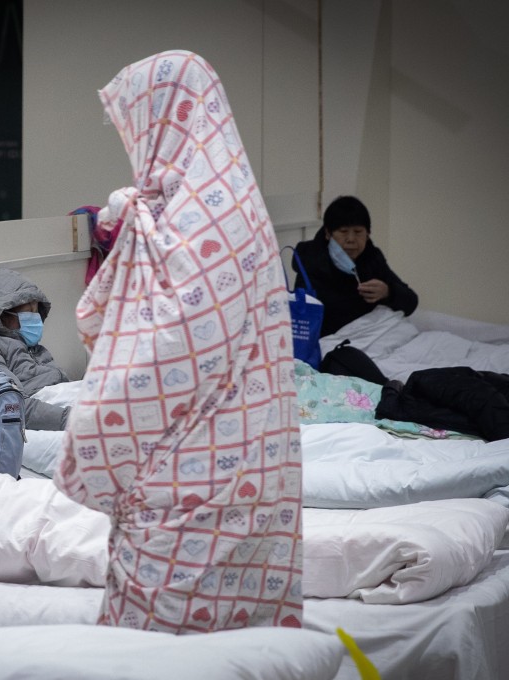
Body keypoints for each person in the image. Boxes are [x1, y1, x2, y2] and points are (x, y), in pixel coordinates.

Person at [53, 50, 303, 633]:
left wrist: (92, 444)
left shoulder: (201, 219)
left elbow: (165, 357)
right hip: (241, 464)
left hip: (194, 482)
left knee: (167, 653)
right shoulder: (219, 198)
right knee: (238, 647)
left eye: (131, 128)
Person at [292, 195, 418, 336]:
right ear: (328, 234)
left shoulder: (372, 258)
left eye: (358, 232)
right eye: (343, 232)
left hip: (376, 336)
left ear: (368, 234)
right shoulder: (310, 262)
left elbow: (411, 302)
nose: (351, 240)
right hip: (335, 343)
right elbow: (304, 321)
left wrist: (387, 292)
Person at [0, 268, 71, 430]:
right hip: (39, 418)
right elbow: (11, 403)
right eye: (28, 313)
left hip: (62, 406)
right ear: (1, 314)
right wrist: (72, 419)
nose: (35, 320)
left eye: (36, 312)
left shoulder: (32, 347)